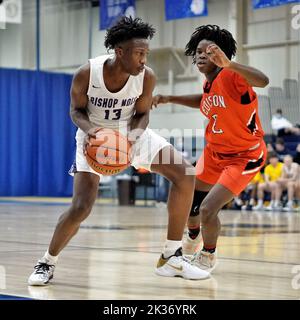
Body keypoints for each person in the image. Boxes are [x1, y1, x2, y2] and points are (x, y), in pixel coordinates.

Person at [28, 17, 209, 286]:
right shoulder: (87, 73)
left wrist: (130, 142)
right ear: (120, 51)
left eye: (146, 53)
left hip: (132, 133)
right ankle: (47, 262)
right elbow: (75, 111)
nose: (144, 60)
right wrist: (94, 132)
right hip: (94, 136)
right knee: (81, 206)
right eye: (139, 53)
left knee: (184, 173)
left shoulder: (146, 77)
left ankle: (171, 256)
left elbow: (143, 114)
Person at [152, 25, 269, 271]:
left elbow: (263, 80)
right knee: (190, 197)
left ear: (222, 55)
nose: (202, 54)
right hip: (215, 153)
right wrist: (169, 98)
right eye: (198, 51)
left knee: (207, 209)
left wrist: (231, 64)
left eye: (209, 50)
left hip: (244, 156)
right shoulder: (209, 84)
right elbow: (203, 101)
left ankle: (208, 255)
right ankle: (193, 237)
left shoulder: (232, 76)